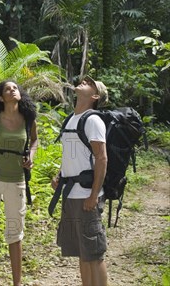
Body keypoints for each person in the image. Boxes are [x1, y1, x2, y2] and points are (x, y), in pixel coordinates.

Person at [0, 80, 38, 286]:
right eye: (8, 89)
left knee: (15, 233)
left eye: (15, 88)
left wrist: (32, 155)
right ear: (1, 98)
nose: (13, 90)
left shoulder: (28, 119)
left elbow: (34, 140)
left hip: (17, 181)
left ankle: (17, 283)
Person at [50, 75, 109, 286]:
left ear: (95, 96)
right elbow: (73, 154)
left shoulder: (93, 120)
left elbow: (102, 158)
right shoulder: (70, 119)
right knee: (83, 254)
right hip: (71, 194)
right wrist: (60, 175)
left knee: (94, 253)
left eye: (90, 83)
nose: (83, 82)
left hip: (86, 195)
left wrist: (94, 195)